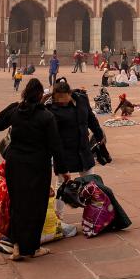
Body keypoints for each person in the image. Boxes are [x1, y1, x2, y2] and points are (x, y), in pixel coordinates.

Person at [0, 79, 68, 260]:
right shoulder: (46, 116)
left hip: (15, 163)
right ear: (41, 95)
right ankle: (32, 248)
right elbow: (56, 146)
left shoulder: (16, 110)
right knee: (36, 206)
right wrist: (62, 170)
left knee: (18, 204)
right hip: (37, 165)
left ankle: (18, 247)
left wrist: (15, 106)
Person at [44, 80, 106, 214]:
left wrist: (99, 134)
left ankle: (93, 214)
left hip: (83, 149)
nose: (61, 101)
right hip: (64, 151)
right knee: (62, 183)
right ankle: (57, 216)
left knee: (90, 182)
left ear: (69, 93)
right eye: (57, 99)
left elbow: (91, 118)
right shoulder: (51, 109)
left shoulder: (82, 100)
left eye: (63, 97)